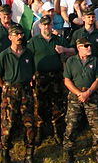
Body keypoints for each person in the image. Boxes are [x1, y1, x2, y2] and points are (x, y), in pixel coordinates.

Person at [27, 16, 74, 144]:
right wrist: (30, 75)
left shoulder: (58, 40)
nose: (47, 27)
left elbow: (74, 50)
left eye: (49, 24)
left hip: (56, 77)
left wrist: (64, 50)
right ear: (40, 26)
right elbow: (28, 59)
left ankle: (58, 132)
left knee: (57, 105)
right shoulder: (34, 41)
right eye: (44, 25)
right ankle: (40, 132)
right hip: (40, 77)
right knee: (40, 105)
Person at [0, 25, 36, 163]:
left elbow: (32, 72)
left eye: (21, 34)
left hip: (25, 90)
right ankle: (5, 154)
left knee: (29, 123)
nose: (19, 37)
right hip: (9, 91)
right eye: (15, 34)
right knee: (8, 124)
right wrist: (6, 88)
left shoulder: (28, 53)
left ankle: (29, 155)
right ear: (9, 37)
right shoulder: (4, 55)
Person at [62, 37, 98, 163]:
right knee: (71, 125)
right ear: (78, 47)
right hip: (76, 96)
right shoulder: (71, 61)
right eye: (86, 46)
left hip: (91, 95)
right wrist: (79, 93)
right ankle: (69, 155)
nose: (89, 48)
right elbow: (67, 80)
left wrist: (88, 92)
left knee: (97, 126)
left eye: (90, 45)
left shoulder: (95, 60)